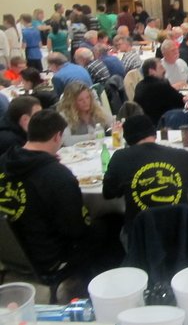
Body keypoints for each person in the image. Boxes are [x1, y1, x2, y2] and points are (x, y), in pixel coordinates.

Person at [0, 109, 115, 275]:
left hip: (11, 248)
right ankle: (97, 278)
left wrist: (44, 161)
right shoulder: (57, 176)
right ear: (57, 137)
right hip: (49, 257)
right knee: (111, 222)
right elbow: (76, 229)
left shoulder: (5, 161)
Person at [103, 114, 188, 234]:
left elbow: (108, 192)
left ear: (127, 140)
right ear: (154, 133)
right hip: (183, 234)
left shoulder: (120, 158)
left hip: (141, 237)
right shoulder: (182, 156)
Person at [57, 81, 112, 146]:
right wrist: (92, 136)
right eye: (80, 100)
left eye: (88, 97)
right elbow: (66, 141)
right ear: (71, 102)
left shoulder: (97, 109)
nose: (86, 102)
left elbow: (113, 125)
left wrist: (115, 129)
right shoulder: (64, 116)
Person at [134, 58, 186, 125]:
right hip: (163, 124)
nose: (164, 70)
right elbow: (181, 101)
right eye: (161, 67)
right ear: (151, 71)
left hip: (145, 125)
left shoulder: (139, 86)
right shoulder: (161, 85)